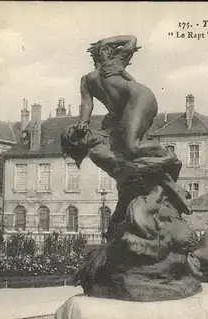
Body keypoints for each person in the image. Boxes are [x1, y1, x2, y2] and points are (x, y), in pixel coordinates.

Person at [76, 35, 191, 217]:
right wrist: (83, 122)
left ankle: (167, 155)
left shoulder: (116, 62)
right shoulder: (87, 79)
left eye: (109, 49)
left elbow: (132, 39)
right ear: (96, 54)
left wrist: (107, 41)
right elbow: (86, 103)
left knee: (132, 146)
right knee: (120, 151)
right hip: (122, 112)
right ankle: (164, 184)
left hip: (139, 99)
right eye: (104, 50)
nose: (107, 52)